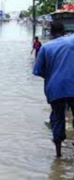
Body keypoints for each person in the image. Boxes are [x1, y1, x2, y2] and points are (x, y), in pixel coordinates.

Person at [33, 22, 74, 158]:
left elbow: (38, 71)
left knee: (57, 117)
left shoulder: (46, 47)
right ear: (64, 31)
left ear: (51, 33)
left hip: (55, 89)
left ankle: (58, 154)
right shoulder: (72, 41)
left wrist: (52, 75)